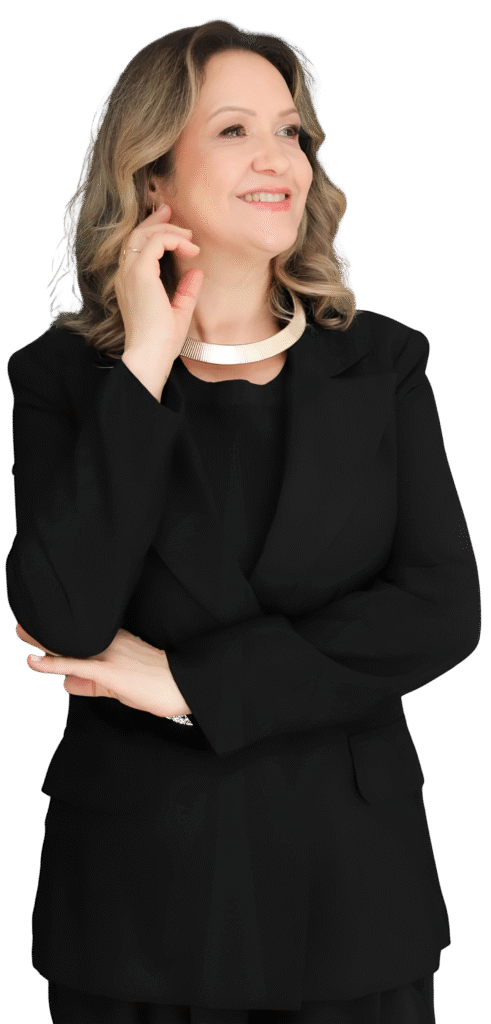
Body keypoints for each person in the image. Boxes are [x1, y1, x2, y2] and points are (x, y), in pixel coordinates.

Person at [5, 19, 481, 1024]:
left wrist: (188, 684)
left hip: (351, 899)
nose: (279, 158)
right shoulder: (62, 380)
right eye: (233, 130)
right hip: (136, 905)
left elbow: (440, 608)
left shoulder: (383, 363)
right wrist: (143, 362)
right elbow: (62, 615)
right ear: (152, 178)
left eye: (290, 131)